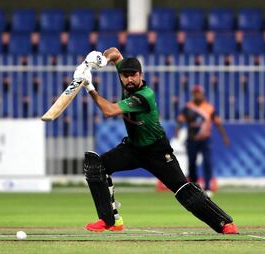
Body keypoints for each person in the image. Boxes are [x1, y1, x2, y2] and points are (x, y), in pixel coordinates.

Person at [72, 49, 238, 234]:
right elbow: (115, 53)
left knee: (184, 191)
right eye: (125, 76)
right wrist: (100, 61)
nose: (129, 80)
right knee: (96, 166)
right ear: (121, 76)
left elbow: (109, 111)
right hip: (133, 147)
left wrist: (90, 87)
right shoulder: (127, 80)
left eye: (133, 75)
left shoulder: (144, 96)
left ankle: (224, 223)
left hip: (157, 151)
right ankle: (110, 220)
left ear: (141, 75)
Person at [176, 85, 230, 196]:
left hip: (205, 140)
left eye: (198, 93)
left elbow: (218, 123)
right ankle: (193, 187)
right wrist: (177, 131)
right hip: (192, 140)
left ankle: (207, 187)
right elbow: (180, 120)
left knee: (207, 162)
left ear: (202, 94)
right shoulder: (188, 107)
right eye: (195, 93)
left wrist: (225, 137)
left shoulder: (209, 108)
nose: (197, 95)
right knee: (191, 164)